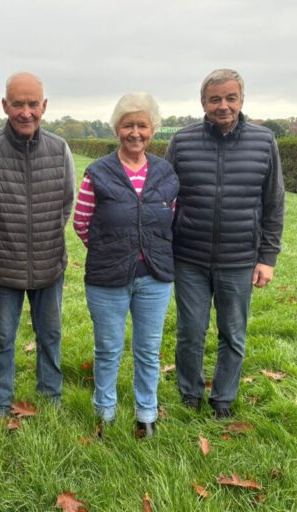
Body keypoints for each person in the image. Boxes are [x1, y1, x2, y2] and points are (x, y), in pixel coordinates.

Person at [165, 68, 285, 419]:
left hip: (239, 258)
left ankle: (224, 399)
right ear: (203, 102)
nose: (223, 106)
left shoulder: (264, 141)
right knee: (190, 332)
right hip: (189, 257)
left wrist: (268, 257)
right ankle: (189, 394)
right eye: (215, 99)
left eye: (230, 98)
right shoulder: (182, 141)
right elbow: (165, 198)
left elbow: (274, 201)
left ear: (241, 100)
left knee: (232, 333)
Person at [0, 72, 76, 424]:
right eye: (18, 104)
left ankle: (50, 399)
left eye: (32, 104)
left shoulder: (59, 149)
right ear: (4, 106)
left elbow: (66, 203)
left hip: (48, 265)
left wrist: (47, 237)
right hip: (1, 269)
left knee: (51, 336)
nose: (26, 112)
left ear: (44, 106)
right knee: (2, 340)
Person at [73, 93, 178, 439]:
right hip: (108, 279)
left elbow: (169, 220)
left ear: (153, 130)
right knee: (109, 348)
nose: (135, 132)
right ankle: (105, 410)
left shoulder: (165, 172)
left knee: (148, 349)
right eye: (128, 125)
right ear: (117, 129)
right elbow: (82, 222)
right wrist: (111, 250)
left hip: (155, 278)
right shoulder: (98, 172)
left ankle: (146, 412)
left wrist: (145, 248)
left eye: (142, 125)